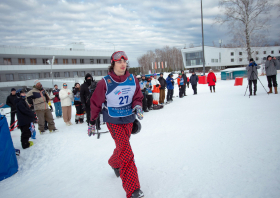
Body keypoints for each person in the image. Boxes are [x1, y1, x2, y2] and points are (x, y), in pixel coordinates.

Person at [89, 51, 144, 198]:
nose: (122, 64)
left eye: (124, 61)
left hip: (129, 119)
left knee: (122, 146)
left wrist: (137, 105)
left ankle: (114, 162)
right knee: (126, 152)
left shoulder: (133, 79)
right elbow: (95, 103)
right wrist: (92, 122)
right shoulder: (105, 82)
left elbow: (137, 96)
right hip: (113, 121)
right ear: (113, 63)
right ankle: (133, 190)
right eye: (119, 62)